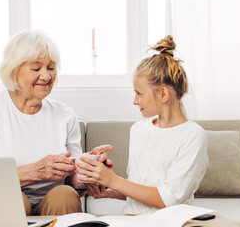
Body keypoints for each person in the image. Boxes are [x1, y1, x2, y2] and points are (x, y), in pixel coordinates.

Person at [0, 29, 112, 216]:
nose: (46, 76)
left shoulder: (66, 115)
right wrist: (35, 171)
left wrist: (89, 170)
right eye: (36, 68)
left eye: (50, 68)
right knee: (14, 198)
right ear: (13, 70)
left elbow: (73, 182)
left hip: (53, 203)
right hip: (5, 202)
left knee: (65, 194)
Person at [76, 35, 209, 214]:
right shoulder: (138, 130)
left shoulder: (192, 135)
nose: (135, 101)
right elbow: (141, 189)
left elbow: (168, 199)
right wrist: (109, 190)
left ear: (163, 94)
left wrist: (112, 180)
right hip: (133, 219)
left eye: (139, 93)